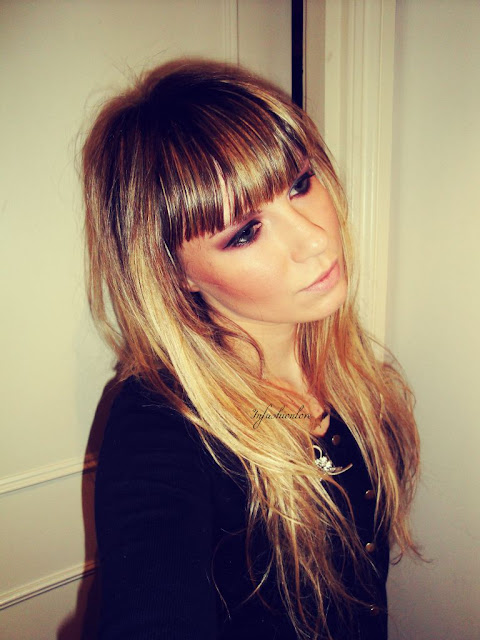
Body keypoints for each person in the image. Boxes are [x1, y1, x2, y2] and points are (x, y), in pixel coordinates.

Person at [82, 58, 420, 640]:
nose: (315, 239)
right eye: (244, 232)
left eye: (300, 184)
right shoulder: (160, 424)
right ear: (175, 274)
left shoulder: (348, 372)